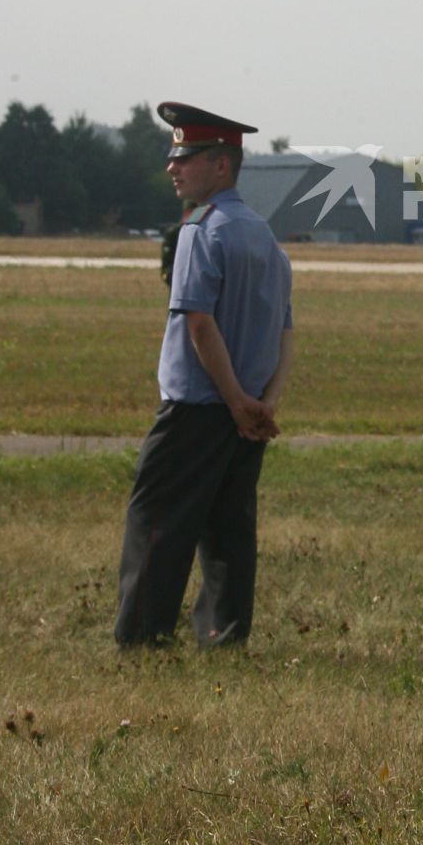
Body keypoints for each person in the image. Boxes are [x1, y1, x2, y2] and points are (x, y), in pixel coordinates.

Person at [114, 102, 294, 648]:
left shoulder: (200, 231)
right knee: (229, 531)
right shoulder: (265, 237)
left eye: (186, 157)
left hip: (197, 408)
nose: (173, 168)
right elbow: (287, 332)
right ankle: (224, 636)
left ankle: (143, 639)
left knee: (157, 522)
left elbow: (198, 323)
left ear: (221, 166)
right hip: (247, 414)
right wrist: (263, 404)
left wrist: (236, 399)